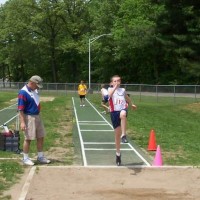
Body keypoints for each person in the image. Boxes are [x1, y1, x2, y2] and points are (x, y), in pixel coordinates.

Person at [18, 75, 50, 166]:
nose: (37, 87)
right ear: (31, 83)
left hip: (37, 116)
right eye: (37, 85)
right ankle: (25, 158)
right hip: (29, 117)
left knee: (41, 136)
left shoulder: (34, 90)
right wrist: (22, 122)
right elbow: (20, 109)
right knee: (28, 138)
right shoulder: (23, 93)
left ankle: (40, 157)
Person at [108, 75, 137, 166]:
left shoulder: (123, 90)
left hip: (122, 110)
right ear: (112, 83)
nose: (117, 82)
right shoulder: (109, 90)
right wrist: (114, 87)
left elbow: (127, 98)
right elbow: (109, 96)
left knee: (123, 114)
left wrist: (131, 104)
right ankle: (118, 154)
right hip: (114, 113)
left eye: (118, 81)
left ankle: (124, 135)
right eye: (115, 81)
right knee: (117, 136)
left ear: (120, 82)